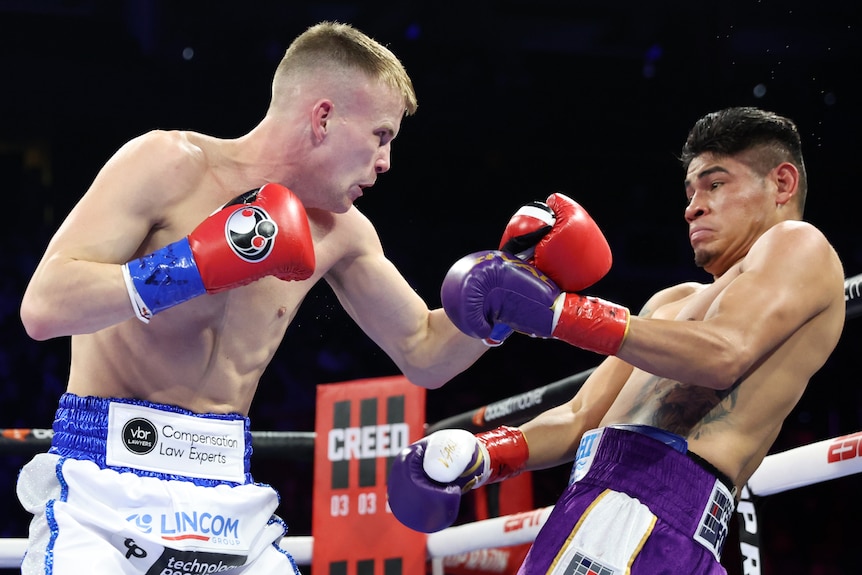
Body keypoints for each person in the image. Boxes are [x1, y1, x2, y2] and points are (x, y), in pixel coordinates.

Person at [16, 21, 491, 575]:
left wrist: (502, 302)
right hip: (104, 479)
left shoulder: (342, 230)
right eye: (380, 136)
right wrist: (195, 265)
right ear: (323, 118)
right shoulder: (168, 164)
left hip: (226, 495)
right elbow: (44, 307)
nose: (385, 163)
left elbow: (425, 351)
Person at [387, 106, 846, 574]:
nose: (693, 206)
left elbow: (725, 353)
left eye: (716, 183)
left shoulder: (798, 243)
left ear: (782, 185)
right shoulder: (673, 301)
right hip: (598, 503)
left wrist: (561, 312)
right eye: (689, 191)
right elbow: (577, 418)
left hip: (649, 513)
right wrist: (484, 456)